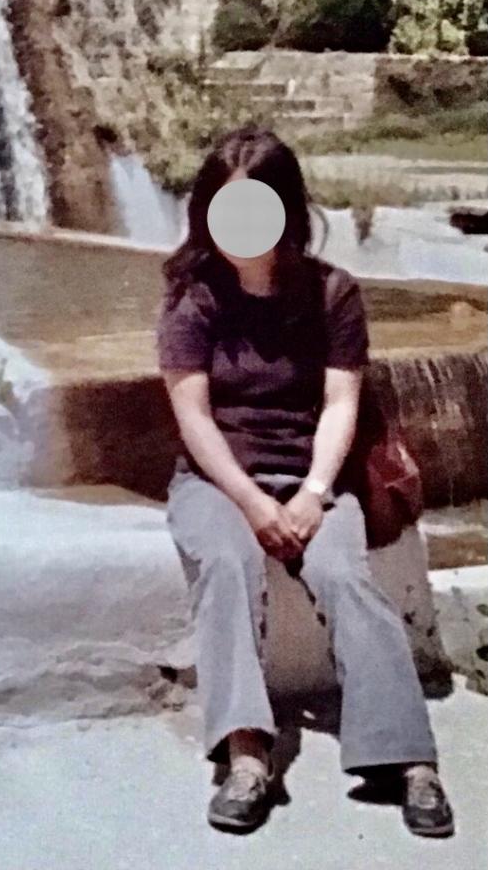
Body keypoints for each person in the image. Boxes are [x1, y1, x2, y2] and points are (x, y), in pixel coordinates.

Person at [156, 125, 453, 838]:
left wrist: (314, 493)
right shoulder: (192, 299)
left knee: (344, 574)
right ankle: (245, 754)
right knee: (226, 563)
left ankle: (407, 757)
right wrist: (252, 501)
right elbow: (194, 419)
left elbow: (341, 402)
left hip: (315, 477)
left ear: (286, 210)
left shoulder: (331, 294)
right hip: (217, 482)